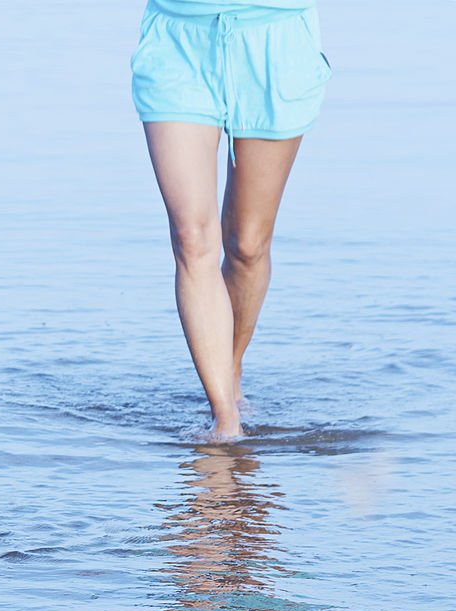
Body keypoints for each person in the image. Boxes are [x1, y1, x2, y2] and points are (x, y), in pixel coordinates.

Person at [131, 0, 331, 438]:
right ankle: (225, 415)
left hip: (275, 39)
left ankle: (232, 368)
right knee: (192, 238)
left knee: (248, 243)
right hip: (179, 37)